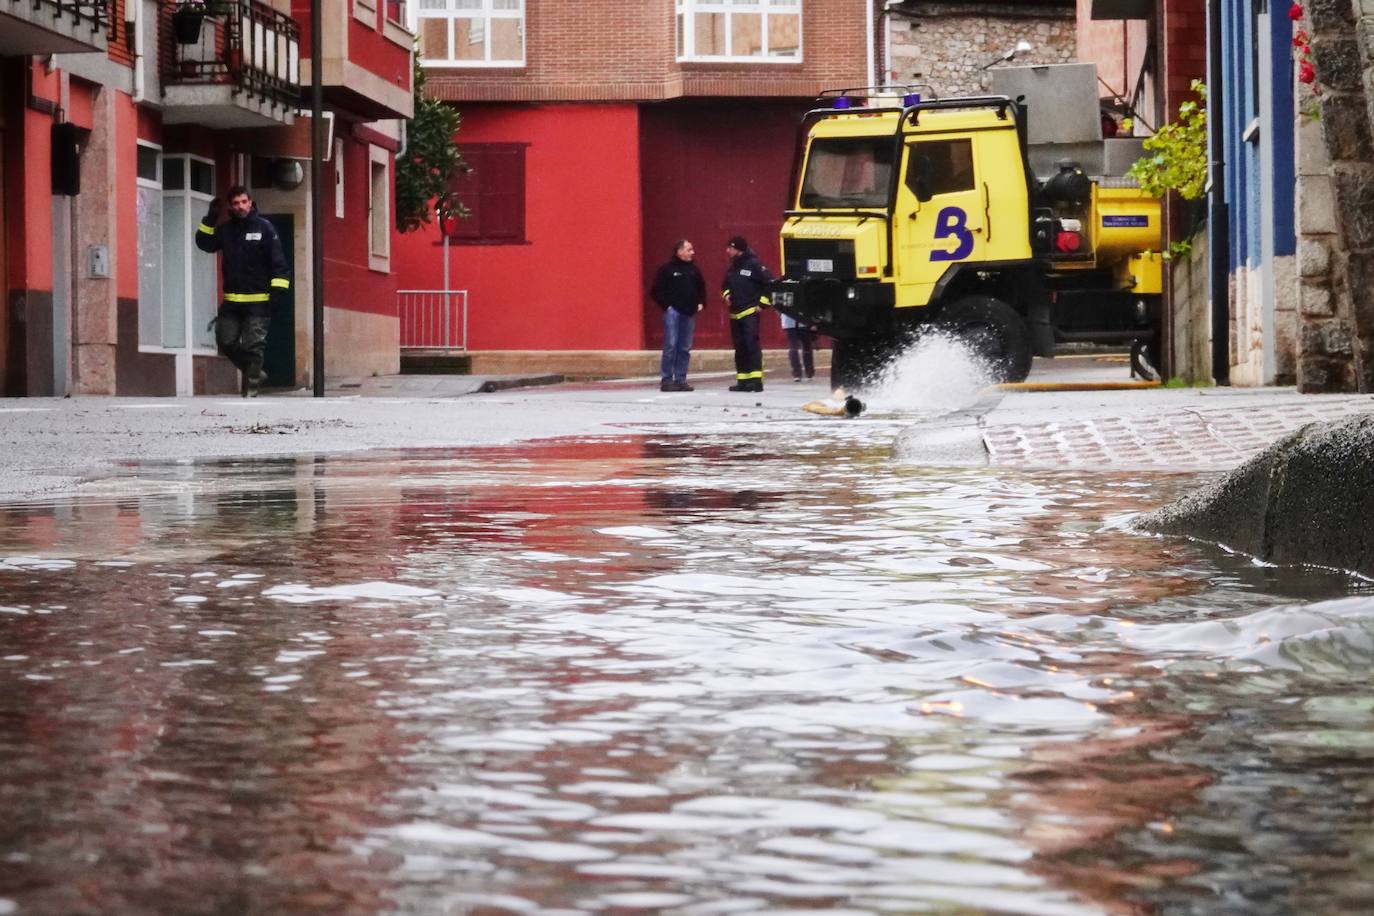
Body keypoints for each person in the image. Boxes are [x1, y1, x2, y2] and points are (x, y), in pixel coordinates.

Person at [195, 185, 290, 397]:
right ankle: (254, 371)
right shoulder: (226, 231)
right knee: (224, 341)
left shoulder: (265, 229)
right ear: (231, 206)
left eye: (244, 202)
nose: (241, 207)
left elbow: (279, 264)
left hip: (259, 301)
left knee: (253, 346)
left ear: (250, 202)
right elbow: (204, 243)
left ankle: (251, 390)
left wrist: (277, 295)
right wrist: (210, 219)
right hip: (232, 303)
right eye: (236, 203)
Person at [649, 238, 705, 392]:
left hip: (689, 313)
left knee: (685, 347)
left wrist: (701, 303)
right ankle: (667, 380)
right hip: (673, 313)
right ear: (679, 252)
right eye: (689, 249)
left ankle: (681, 379)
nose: (692, 252)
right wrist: (667, 307)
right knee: (671, 346)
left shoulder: (694, 270)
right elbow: (655, 291)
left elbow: (701, 288)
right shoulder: (667, 269)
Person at [721, 235, 774, 392]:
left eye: (730, 248)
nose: (727, 251)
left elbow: (769, 283)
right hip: (735, 314)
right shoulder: (732, 267)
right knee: (740, 348)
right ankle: (742, 380)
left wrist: (762, 304)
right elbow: (724, 285)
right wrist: (727, 295)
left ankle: (756, 381)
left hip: (749, 312)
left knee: (751, 346)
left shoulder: (753, 264)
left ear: (737, 249)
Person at [781, 311, 815, 382]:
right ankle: (809, 373)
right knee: (806, 347)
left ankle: (797, 374)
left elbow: (778, 307)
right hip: (803, 321)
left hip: (790, 323)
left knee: (793, 348)